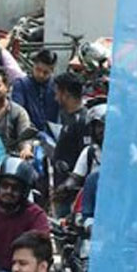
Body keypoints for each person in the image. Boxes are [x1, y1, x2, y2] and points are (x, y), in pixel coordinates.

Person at [51, 72, 90, 217]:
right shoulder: (66, 117)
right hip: (61, 186)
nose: (55, 97)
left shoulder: (83, 121)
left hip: (72, 193)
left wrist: (69, 185)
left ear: (65, 93)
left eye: (57, 92)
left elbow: (85, 157)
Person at [0, 65, 33, 155]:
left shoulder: (18, 112)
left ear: (7, 87)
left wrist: (26, 150)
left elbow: (25, 138)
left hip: (9, 159)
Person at [12, 49, 60, 135]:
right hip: (28, 133)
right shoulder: (21, 85)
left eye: (46, 72)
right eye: (38, 69)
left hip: (54, 133)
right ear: (33, 65)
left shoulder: (57, 86)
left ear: (52, 71)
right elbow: (17, 111)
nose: (41, 75)